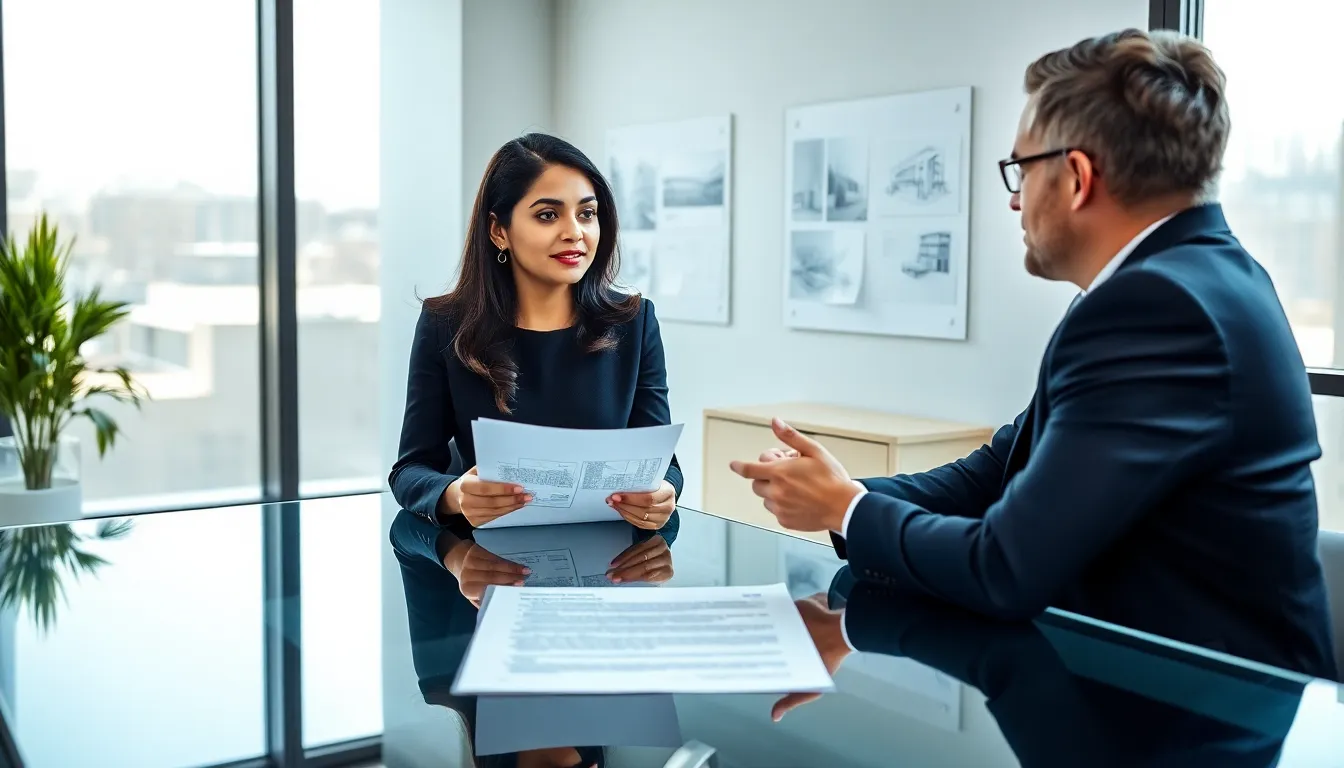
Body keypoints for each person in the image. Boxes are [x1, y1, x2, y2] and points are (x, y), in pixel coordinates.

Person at [730, 29, 1337, 680]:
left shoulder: (1158, 306)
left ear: (1076, 177)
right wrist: (842, 494)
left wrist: (846, 509)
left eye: (1021, 170)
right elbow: (1001, 470)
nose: (1015, 199)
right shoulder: (1186, 282)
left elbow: (1006, 568)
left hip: (1195, 705)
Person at [390, 133, 682, 532]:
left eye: (586, 213)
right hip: (484, 558)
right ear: (499, 231)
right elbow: (410, 470)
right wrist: (455, 494)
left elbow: (664, 465)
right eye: (548, 215)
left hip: (611, 555)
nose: (574, 232)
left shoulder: (635, 321)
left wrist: (664, 492)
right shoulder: (446, 324)